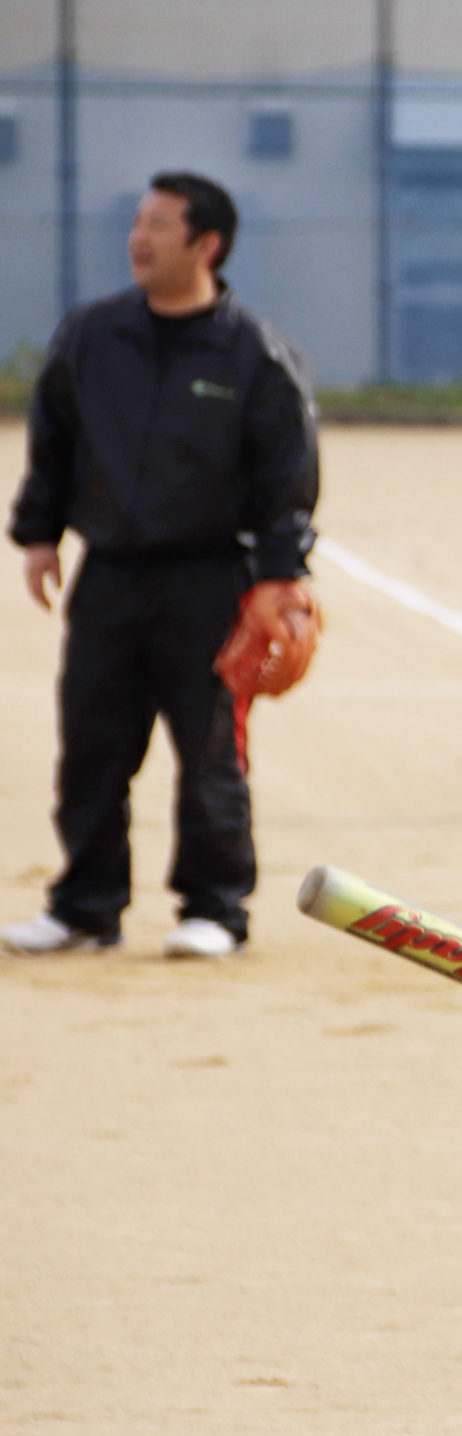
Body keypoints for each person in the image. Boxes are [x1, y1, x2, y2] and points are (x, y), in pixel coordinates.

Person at [4, 171, 320, 959]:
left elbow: (288, 474)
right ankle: (84, 907)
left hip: (211, 580)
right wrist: (39, 534)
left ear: (206, 244)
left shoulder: (254, 352)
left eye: (158, 225)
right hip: (109, 575)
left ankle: (213, 908)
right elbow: (55, 440)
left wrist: (281, 577)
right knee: (91, 745)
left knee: (209, 751)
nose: (139, 238)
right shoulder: (92, 335)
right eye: (137, 222)